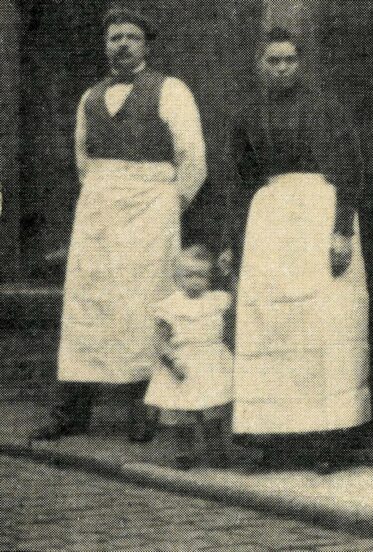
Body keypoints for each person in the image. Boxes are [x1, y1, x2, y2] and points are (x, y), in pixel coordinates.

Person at [32, 8, 206, 443]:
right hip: (100, 209)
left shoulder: (171, 90)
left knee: (143, 306)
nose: (123, 44)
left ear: (146, 44)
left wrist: (170, 206)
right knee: (87, 306)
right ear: (105, 44)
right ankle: (72, 412)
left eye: (131, 37)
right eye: (114, 38)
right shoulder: (89, 97)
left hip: (152, 208)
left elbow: (193, 158)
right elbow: (83, 162)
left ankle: (142, 411)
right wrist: (102, 199)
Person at [224, 28, 370, 474]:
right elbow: (241, 181)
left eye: (289, 60)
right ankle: (275, 439)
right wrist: (233, 244)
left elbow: (351, 170)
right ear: (260, 64)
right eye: (273, 60)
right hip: (270, 221)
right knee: (273, 326)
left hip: (320, 214)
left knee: (322, 325)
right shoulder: (248, 115)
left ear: (301, 64)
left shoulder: (328, 111)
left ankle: (329, 439)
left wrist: (341, 231)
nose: (282, 67)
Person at [145, 245, 233, 470]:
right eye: (188, 275)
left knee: (212, 407)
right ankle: (184, 451)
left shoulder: (216, 300)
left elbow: (236, 295)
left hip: (212, 361)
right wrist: (171, 361)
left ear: (209, 277)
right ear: (177, 278)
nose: (195, 281)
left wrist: (229, 271)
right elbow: (160, 340)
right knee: (183, 410)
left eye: (201, 276)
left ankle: (215, 449)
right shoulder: (171, 306)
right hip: (183, 363)